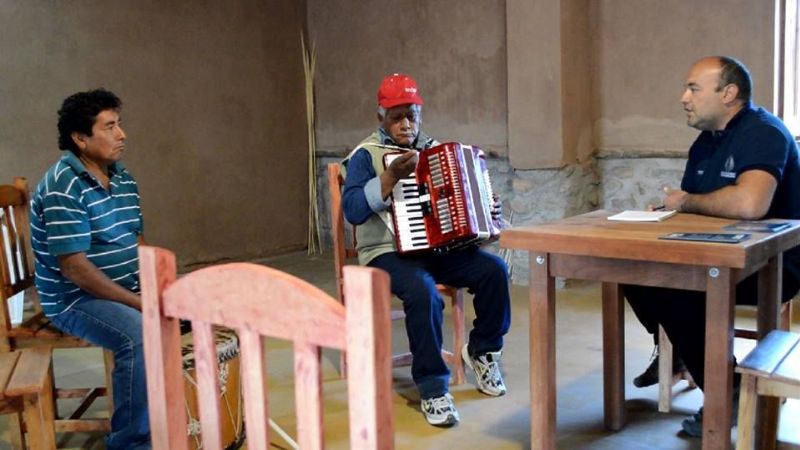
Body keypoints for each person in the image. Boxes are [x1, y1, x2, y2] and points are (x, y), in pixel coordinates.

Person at [624, 56, 800, 437]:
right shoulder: (705, 142)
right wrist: (670, 211)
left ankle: (727, 392)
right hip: (718, 255)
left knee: (680, 293)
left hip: (773, 264)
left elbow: (750, 205)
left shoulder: (763, 132)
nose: (683, 97)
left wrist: (684, 202)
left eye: (693, 88)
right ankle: (679, 353)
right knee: (632, 270)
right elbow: (698, 205)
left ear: (729, 93)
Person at [340, 74, 512, 427]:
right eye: (396, 116)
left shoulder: (435, 152)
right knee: (422, 292)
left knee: (493, 271)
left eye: (412, 115)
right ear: (381, 118)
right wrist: (388, 180)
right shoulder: (365, 155)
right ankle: (434, 389)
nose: (406, 124)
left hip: (436, 249)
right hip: (385, 252)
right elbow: (354, 210)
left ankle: (481, 351)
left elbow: (458, 202)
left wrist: (483, 210)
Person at [31, 89, 150, 449]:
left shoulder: (123, 177)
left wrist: (154, 286)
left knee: (194, 305)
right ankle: (132, 442)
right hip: (73, 299)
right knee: (138, 335)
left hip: (121, 287)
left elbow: (137, 239)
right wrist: (136, 302)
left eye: (120, 124)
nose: (122, 135)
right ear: (80, 138)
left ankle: (174, 415)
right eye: (110, 127)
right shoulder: (62, 186)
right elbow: (76, 270)